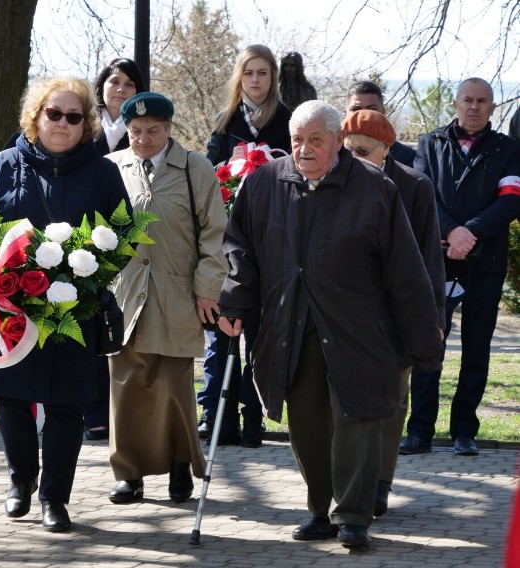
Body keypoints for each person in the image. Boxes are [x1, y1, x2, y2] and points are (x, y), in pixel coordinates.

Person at [217, 100, 444, 549]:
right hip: (290, 324)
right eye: (297, 140)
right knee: (307, 421)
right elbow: (239, 248)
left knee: (356, 417)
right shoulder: (265, 182)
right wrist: (235, 301)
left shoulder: (375, 188)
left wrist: (423, 334)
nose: (303, 150)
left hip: (357, 327)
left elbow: (405, 267)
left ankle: (355, 514)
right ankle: (319, 509)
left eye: (315, 141)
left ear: (338, 141)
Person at [0, 76, 130, 533]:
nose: (62, 123)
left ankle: (55, 499)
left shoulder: (103, 173)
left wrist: (89, 273)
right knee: (11, 398)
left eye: (74, 117)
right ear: (35, 117)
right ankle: (21, 482)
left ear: (86, 124)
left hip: (74, 310)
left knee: (65, 407)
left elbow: (124, 235)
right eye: (53, 113)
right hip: (13, 310)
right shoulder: (4, 164)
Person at [106, 92, 228, 505]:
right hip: (124, 294)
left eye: (152, 130)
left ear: (169, 129)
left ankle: (180, 466)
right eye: (135, 131)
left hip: (177, 292)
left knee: (173, 387)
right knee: (126, 385)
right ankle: (128, 474)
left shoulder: (196, 169)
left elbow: (215, 236)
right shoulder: (111, 168)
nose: (142, 139)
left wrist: (208, 289)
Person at [400, 78, 520, 457]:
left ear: (492, 108)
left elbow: (511, 199)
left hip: (485, 260)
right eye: (468, 100)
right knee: (429, 341)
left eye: (482, 101)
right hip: (437, 261)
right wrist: (452, 231)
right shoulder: (430, 143)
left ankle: (464, 431)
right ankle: (419, 430)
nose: (474, 107)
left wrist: (470, 234)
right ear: (455, 103)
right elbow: (422, 194)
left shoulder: (509, 149)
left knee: (477, 346)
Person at [340, 109, 445, 517]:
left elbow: (428, 259)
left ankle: (380, 482)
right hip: (346, 310)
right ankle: (347, 481)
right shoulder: (337, 179)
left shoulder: (414, 186)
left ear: (387, 149)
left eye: (363, 150)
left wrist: (433, 318)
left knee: (391, 401)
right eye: (347, 150)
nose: (354, 158)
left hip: (396, 311)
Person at [200, 44, 292, 447]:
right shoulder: (224, 124)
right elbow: (208, 178)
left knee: (257, 335)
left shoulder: (288, 122)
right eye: (249, 73)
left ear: (273, 79)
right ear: (240, 78)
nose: (256, 80)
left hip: (272, 242)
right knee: (221, 333)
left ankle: (253, 416)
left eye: (263, 73)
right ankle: (215, 416)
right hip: (228, 242)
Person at [81, 58, 148, 442]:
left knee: (121, 331)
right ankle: (93, 415)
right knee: (90, 328)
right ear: (102, 86)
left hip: (129, 239)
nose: (120, 89)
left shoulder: (142, 132)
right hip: (82, 239)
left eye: (129, 83)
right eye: (114, 81)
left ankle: (125, 414)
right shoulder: (82, 126)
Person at [344, 80, 417, 167]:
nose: (364, 115)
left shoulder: (405, 157)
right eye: (356, 110)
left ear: (383, 112)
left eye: (371, 109)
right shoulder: (333, 153)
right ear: (346, 113)